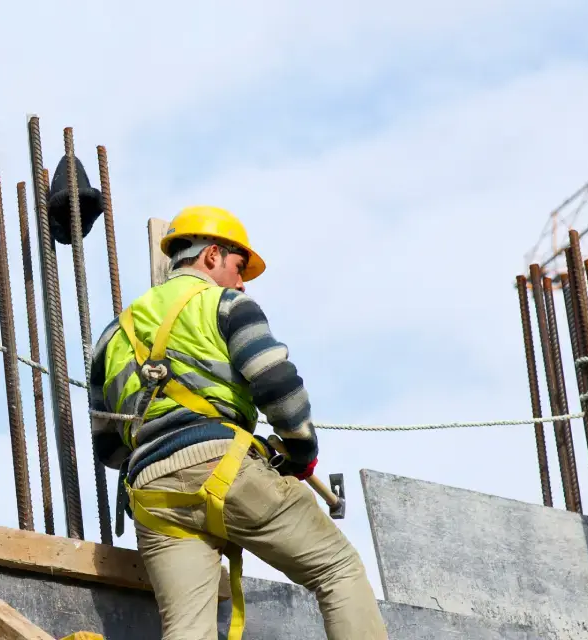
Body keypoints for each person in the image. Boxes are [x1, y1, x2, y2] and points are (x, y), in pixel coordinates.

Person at [87, 206, 387, 639]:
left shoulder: (111, 336)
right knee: (337, 569)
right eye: (238, 266)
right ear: (211, 256)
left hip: (152, 493)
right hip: (222, 467)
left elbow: (109, 449)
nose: (242, 280)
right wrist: (301, 452)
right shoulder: (226, 303)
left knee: (188, 629)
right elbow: (278, 385)